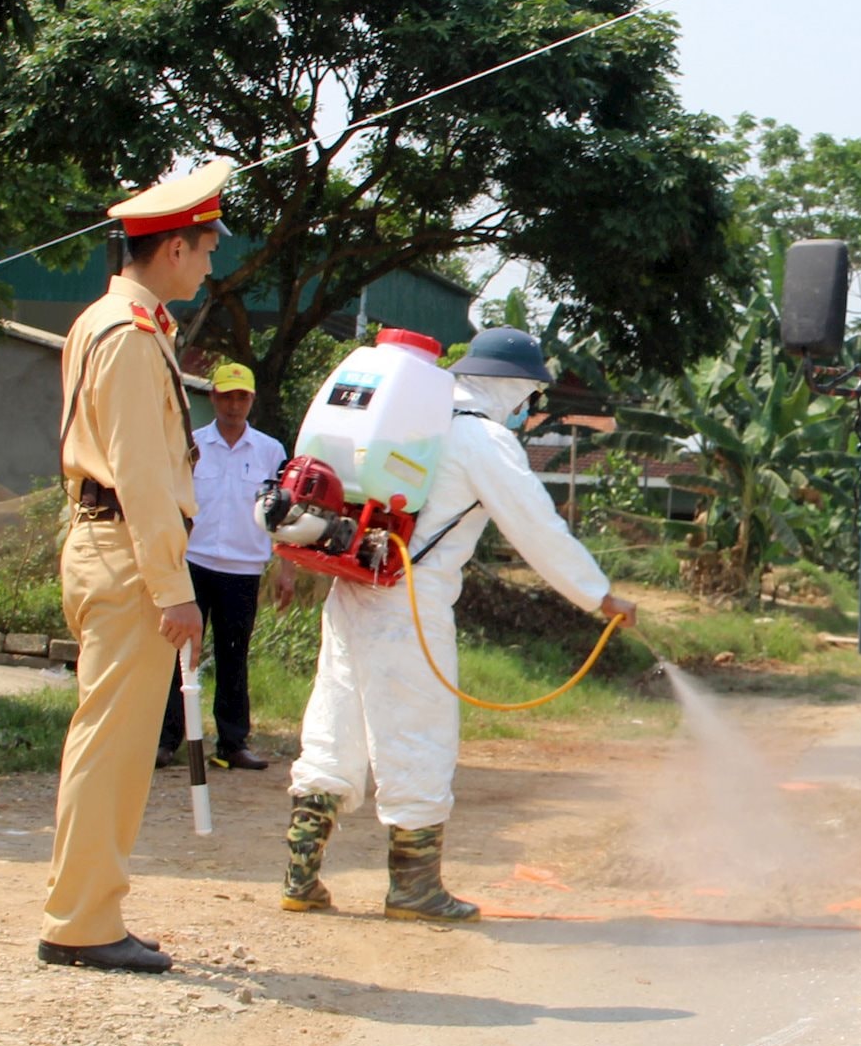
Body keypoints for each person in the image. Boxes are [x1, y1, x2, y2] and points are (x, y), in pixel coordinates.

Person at [279, 327, 640, 922]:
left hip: (353, 587)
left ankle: (300, 876)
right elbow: (538, 527)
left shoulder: (413, 418)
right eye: (529, 398)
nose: (529, 412)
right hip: (409, 606)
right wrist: (599, 595)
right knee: (418, 738)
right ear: (515, 389)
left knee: (332, 729)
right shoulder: (482, 439)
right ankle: (414, 889)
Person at [38, 159, 229, 975]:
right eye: (208, 245)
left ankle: (89, 911)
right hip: (125, 553)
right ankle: (80, 921)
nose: (213, 261)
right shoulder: (126, 335)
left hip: (110, 547)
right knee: (111, 747)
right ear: (175, 250)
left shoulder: (114, 323)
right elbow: (143, 476)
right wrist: (175, 590)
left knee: (111, 744)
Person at [157, 361, 286, 772]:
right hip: (193, 563)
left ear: (252, 399)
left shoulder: (271, 452)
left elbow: (282, 515)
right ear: (212, 397)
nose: (234, 405)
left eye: (241, 397)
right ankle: (166, 741)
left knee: (234, 656)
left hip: (243, 569)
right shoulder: (191, 445)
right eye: (226, 396)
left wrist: (287, 569)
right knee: (180, 654)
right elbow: (172, 505)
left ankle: (232, 744)